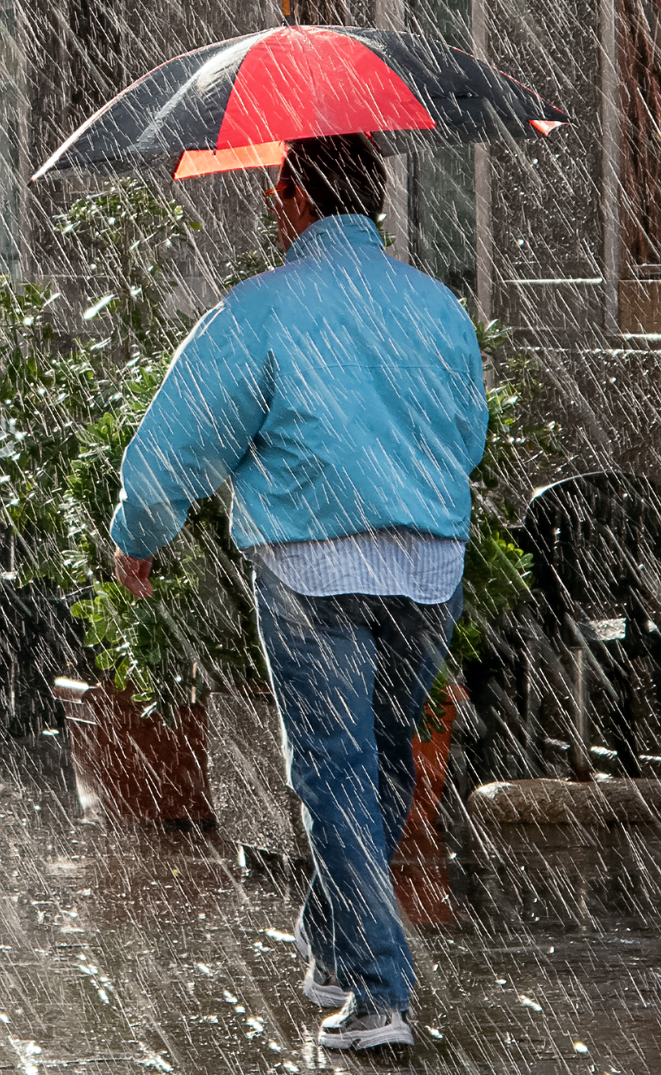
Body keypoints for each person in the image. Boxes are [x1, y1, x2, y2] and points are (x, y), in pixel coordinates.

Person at [109, 133, 488, 1054]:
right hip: (426, 568)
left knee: (333, 769)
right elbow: (468, 433)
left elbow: (179, 439)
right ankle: (332, 937)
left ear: (292, 197)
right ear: (375, 197)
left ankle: (379, 993)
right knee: (383, 758)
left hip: (311, 569)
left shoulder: (260, 312)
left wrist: (137, 537)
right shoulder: (437, 308)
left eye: (277, 188)